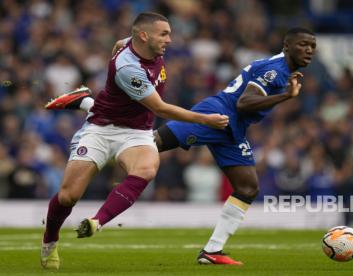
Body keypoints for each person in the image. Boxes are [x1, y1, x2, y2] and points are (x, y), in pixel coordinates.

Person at [46, 27, 317, 265]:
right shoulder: (275, 70)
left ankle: (212, 251)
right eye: (303, 44)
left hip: (233, 129)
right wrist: (285, 96)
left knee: (247, 188)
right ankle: (90, 106)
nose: (309, 50)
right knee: (150, 141)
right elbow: (244, 103)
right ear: (286, 46)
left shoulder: (283, 69)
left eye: (312, 46)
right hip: (217, 115)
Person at [40, 12, 229, 270]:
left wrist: (122, 41)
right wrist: (205, 120)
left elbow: (124, 40)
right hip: (101, 129)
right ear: (144, 36)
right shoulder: (129, 67)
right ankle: (50, 240)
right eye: (164, 34)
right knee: (68, 197)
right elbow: (160, 109)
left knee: (147, 168)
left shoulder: (143, 43)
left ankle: (98, 221)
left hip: (136, 132)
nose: (170, 40)